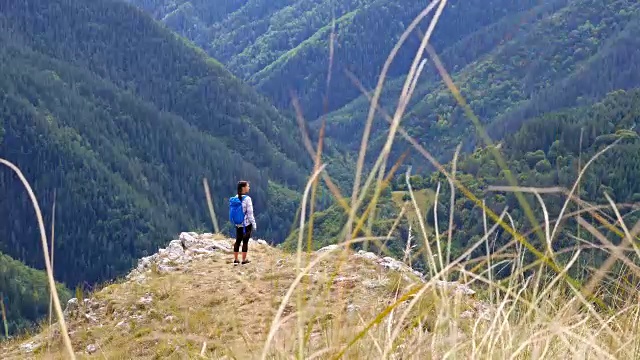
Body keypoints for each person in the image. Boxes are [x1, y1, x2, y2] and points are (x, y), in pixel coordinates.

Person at [231, 180, 256, 265]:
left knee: (238, 240)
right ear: (243, 188)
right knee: (245, 242)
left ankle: (235, 259)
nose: (249, 187)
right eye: (248, 186)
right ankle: (244, 260)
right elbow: (250, 213)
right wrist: (254, 224)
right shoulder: (247, 199)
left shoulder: (235, 197)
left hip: (238, 224)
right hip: (246, 224)